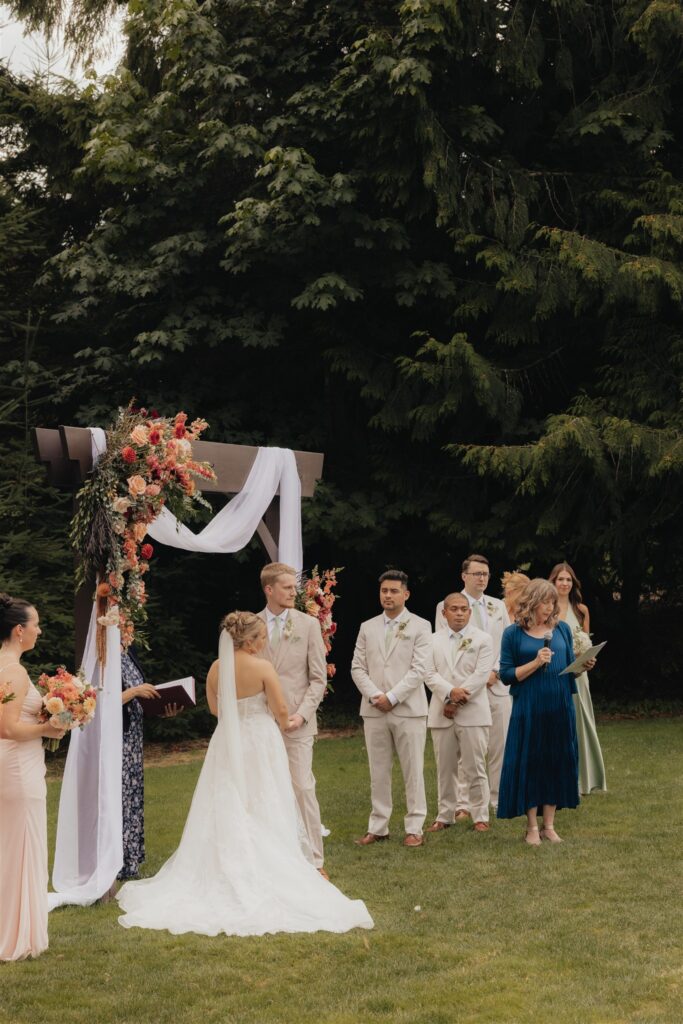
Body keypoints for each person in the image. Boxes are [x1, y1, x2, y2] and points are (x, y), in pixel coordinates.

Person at [117, 612, 373, 936]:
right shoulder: (263, 667)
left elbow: (214, 708)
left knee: (228, 797)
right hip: (260, 739)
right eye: (262, 638)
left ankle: (224, 863)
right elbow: (281, 710)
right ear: (250, 640)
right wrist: (285, 721)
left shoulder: (215, 668)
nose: (265, 643)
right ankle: (269, 865)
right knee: (265, 796)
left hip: (227, 738)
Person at [0, 594, 65, 961]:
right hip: (16, 770)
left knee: (10, 848)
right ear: (19, 630)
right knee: (20, 848)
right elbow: (7, 728)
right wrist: (49, 729)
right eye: (35, 624)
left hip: (11, 766)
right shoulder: (14, 671)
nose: (39, 630)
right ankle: (16, 937)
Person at [497, 579, 587, 845]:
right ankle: (532, 827)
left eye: (552, 602)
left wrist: (583, 666)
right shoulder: (512, 634)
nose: (550, 607)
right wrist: (535, 662)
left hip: (559, 706)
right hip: (529, 707)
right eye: (545, 602)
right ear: (532, 602)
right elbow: (506, 675)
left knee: (555, 761)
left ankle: (549, 825)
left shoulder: (561, 631)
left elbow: (568, 668)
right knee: (531, 762)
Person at [351, 570, 431, 848]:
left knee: (413, 770)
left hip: (408, 708)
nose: (388, 595)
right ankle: (378, 826)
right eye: (384, 590)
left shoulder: (421, 625)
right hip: (374, 709)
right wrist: (375, 695)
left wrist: (393, 696)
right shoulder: (367, 626)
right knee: (378, 770)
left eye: (394, 591)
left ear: (405, 594)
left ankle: (415, 826)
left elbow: (420, 668)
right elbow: (357, 667)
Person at [257, 563, 328, 875]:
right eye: (286, 587)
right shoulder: (251, 625)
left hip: (297, 723)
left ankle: (315, 861)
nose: (293, 592)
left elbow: (318, 679)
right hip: (260, 723)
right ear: (269, 589)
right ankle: (272, 858)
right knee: (264, 790)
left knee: (302, 788)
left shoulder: (308, 624)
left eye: (293, 587)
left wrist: (301, 715)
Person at [435, 554, 510, 814]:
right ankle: (462, 804)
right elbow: (443, 650)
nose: (481, 578)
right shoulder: (445, 607)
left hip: (496, 685)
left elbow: (507, 644)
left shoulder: (498, 606)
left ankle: (497, 800)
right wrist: (458, 690)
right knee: (461, 750)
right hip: (462, 689)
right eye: (476, 573)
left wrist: (496, 672)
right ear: (464, 576)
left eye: (485, 574)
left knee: (497, 745)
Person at [425, 594, 494, 833]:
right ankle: (445, 814)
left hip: (473, 712)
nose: (459, 613)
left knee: (475, 766)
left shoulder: (483, 639)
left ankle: (480, 815)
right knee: (445, 768)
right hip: (441, 712)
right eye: (454, 609)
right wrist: (448, 694)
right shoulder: (432, 640)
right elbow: (429, 673)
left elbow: (481, 674)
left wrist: (456, 701)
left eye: (464, 609)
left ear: (470, 612)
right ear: (444, 613)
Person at [119, 647, 182, 881]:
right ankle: (114, 859)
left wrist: (161, 707)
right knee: (119, 796)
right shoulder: (101, 655)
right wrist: (134, 691)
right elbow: (99, 701)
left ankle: (129, 859)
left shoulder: (128, 652)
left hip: (134, 737)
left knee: (131, 795)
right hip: (115, 740)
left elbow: (138, 701)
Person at [549, 562, 607, 794]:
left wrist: (587, 659)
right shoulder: (547, 609)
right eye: (560, 579)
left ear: (573, 584)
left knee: (580, 721)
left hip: (578, 674)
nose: (564, 583)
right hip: (554, 673)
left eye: (568, 580)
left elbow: (585, 642)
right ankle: (559, 778)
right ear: (552, 582)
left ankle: (584, 779)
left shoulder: (581, 609)